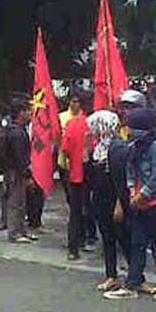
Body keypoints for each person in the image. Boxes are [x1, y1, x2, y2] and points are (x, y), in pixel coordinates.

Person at [104, 108, 156, 301]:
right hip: (139, 203)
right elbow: (130, 169)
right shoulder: (134, 146)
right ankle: (132, 284)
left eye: (133, 127)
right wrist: (131, 191)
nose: (129, 130)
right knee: (137, 243)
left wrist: (143, 194)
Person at [86, 110, 131, 291]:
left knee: (123, 238)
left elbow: (121, 180)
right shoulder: (98, 148)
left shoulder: (117, 147)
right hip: (100, 199)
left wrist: (120, 204)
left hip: (114, 200)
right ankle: (111, 275)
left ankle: (135, 275)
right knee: (107, 238)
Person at [0, 95, 35, 244]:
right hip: (15, 172)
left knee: (21, 201)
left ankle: (21, 230)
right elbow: (20, 158)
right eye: (28, 111)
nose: (30, 114)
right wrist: (27, 175)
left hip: (12, 171)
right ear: (21, 112)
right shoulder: (17, 133)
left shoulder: (14, 130)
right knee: (16, 201)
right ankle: (15, 232)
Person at [61, 97, 90, 261]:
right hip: (96, 175)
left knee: (76, 211)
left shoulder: (72, 124)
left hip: (75, 174)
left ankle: (74, 248)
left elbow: (64, 149)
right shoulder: (92, 124)